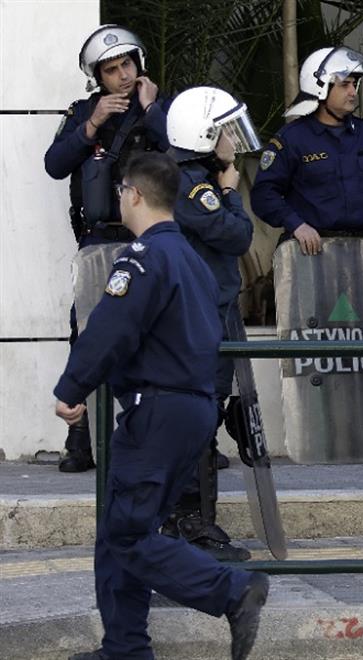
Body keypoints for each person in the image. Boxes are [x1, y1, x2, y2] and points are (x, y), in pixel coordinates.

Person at [53, 153, 268, 660]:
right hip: (190, 408)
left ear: (133, 194)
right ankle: (124, 649)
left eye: (121, 191)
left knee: (127, 536)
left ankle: (232, 591)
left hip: (157, 412)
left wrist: (72, 388)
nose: (119, 199)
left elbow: (110, 328)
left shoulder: (143, 257)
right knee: (121, 533)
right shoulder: (192, 259)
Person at [44, 23, 169, 473]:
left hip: (151, 240)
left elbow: (183, 154)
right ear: (98, 77)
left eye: (127, 65)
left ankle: (175, 438)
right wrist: (93, 124)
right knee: (87, 335)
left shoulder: (159, 107)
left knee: (159, 333)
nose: (122, 75)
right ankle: (78, 437)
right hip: (99, 240)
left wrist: (151, 110)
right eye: (111, 69)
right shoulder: (83, 112)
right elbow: (54, 164)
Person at [162, 86, 261, 561]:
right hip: (200, 317)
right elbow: (237, 236)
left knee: (206, 416)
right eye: (225, 131)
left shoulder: (191, 177)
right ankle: (191, 524)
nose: (232, 141)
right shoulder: (194, 187)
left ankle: (191, 522)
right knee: (198, 417)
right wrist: (228, 191)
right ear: (204, 135)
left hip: (211, 311)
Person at [251, 46, 363, 248]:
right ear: (320, 88)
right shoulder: (291, 139)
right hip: (312, 252)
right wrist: (296, 225)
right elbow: (264, 194)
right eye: (344, 85)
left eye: (354, 84)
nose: (353, 92)